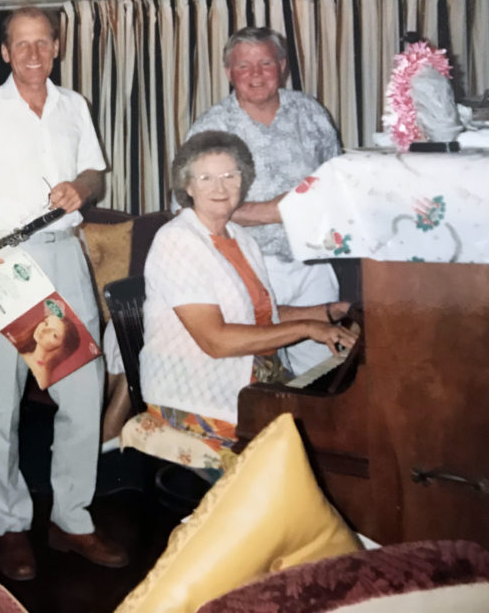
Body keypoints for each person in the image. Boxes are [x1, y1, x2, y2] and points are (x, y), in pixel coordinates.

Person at [0, 5, 127, 581]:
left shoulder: (74, 108)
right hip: (7, 265)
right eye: (21, 44)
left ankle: (71, 517)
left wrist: (81, 188)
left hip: (64, 254)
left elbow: (95, 173)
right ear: (4, 52)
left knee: (82, 394)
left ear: (57, 47)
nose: (33, 55)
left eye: (42, 43)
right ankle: (10, 523)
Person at [141, 131, 357, 463]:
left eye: (230, 175)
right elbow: (217, 341)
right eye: (206, 178)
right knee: (310, 449)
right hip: (198, 392)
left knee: (332, 428)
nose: (220, 187)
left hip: (254, 376)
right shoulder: (177, 242)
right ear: (188, 187)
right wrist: (307, 329)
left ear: (245, 181)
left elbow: (262, 315)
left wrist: (329, 312)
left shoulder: (240, 237)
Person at [186, 26, 342, 375]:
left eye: (266, 63)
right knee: (257, 379)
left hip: (312, 265)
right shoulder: (211, 129)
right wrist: (271, 212)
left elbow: (335, 182)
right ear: (229, 72)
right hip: (247, 269)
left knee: (322, 376)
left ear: (282, 66)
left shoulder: (311, 112)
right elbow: (188, 207)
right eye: (244, 66)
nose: (255, 75)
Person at [5, 299, 82, 389]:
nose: (44, 330)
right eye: (46, 323)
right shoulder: (22, 349)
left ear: (61, 347)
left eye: (54, 335)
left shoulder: (43, 377)